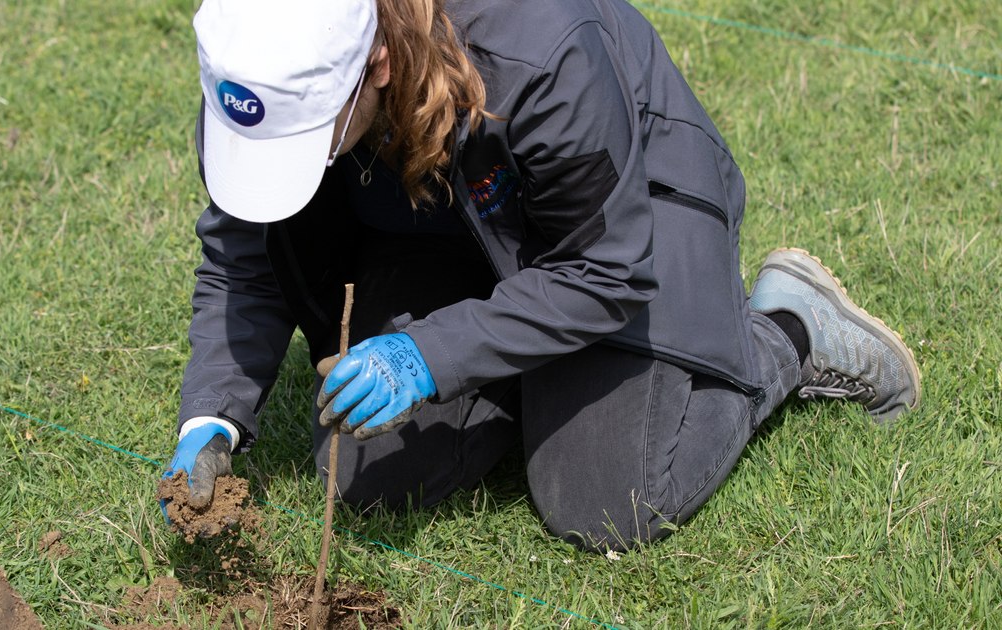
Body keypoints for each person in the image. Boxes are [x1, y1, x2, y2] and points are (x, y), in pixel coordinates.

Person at [161, 0, 921, 551]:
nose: (292, 156)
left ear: (378, 66)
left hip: (621, 220)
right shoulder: (257, 70)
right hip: (452, 225)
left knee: (610, 501)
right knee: (360, 472)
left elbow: (606, 267)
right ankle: (542, 380)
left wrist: (432, 355)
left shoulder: (541, 46)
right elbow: (243, 254)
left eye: (310, 138)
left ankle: (788, 330)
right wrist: (211, 418)